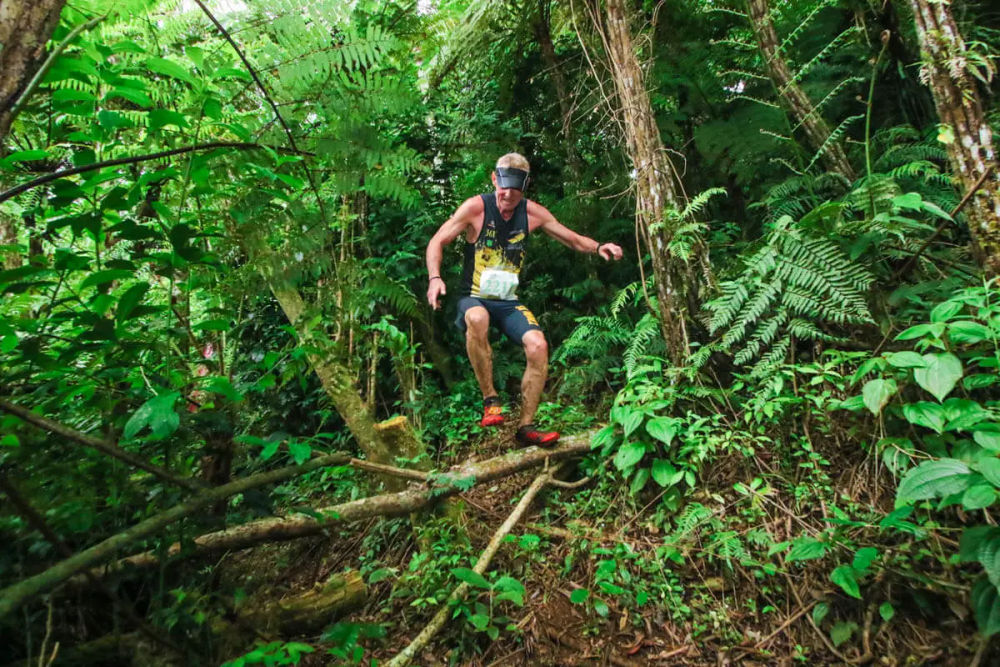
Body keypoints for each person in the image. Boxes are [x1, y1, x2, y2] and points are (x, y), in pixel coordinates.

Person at [425, 153, 624, 447]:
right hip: (474, 297)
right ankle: (490, 399)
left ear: (525, 186)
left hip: (507, 301)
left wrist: (599, 247)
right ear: (494, 179)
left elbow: (571, 239)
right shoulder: (476, 208)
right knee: (478, 319)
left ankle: (526, 427)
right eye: (503, 185)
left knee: (538, 345)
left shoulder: (532, 213)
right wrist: (435, 278)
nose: (507, 194)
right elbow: (437, 241)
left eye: (515, 188)